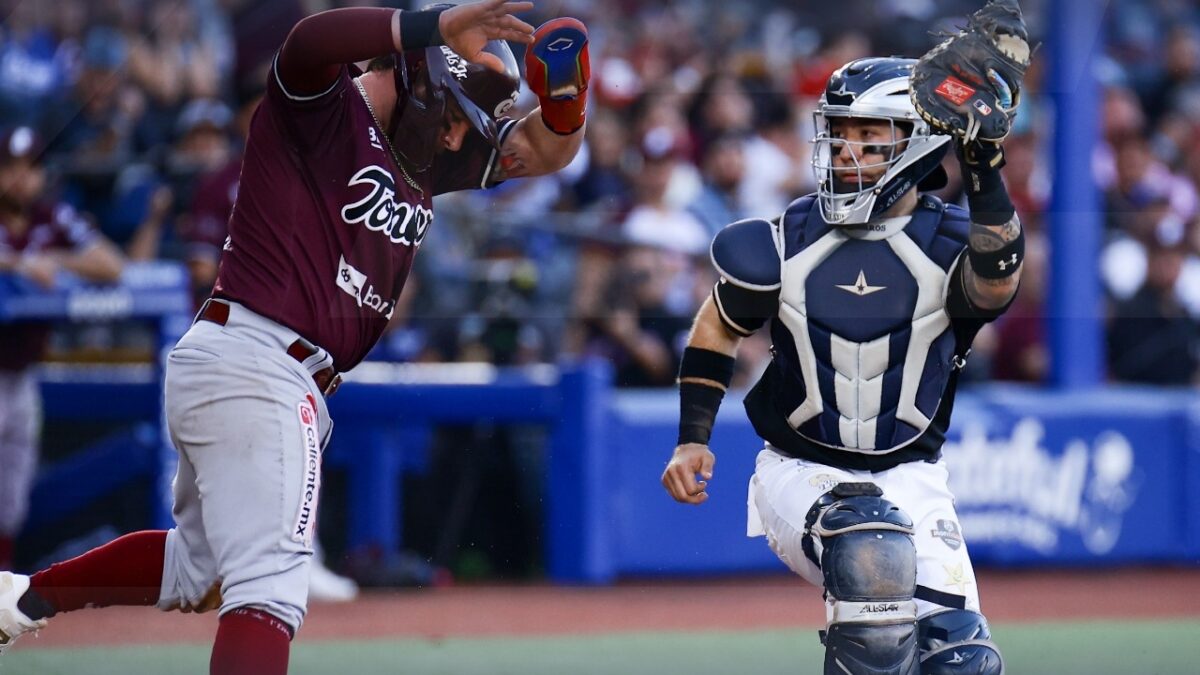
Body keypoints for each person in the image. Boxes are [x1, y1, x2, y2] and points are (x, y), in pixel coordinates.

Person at [0, 2, 589, 673]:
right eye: (454, 115)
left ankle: (23, 599)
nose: (459, 138)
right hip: (260, 361)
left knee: (200, 568)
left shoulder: (427, 153)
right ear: (421, 82)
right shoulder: (324, 109)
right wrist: (427, 27)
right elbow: (308, 41)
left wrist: (565, 99)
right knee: (273, 585)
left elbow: (543, 149)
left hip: (251, 367)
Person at [661, 57, 1023, 674]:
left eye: (868, 138)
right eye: (840, 133)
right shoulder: (789, 235)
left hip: (912, 477)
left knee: (962, 663)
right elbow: (719, 321)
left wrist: (986, 168)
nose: (845, 152)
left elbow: (996, 285)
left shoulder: (953, 241)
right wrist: (691, 438)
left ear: (917, 144)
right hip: (799, 471)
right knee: (868, 547)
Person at [0, 125, 125, 571]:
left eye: (28, 167)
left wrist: (51, 259)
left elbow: (111, 264)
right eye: (9, 167)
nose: (18, 178)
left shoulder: (49, 218)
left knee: (11, 494)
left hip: (21, 373)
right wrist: (17, 263)